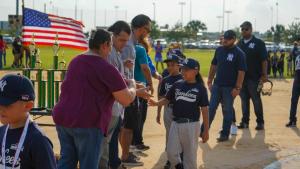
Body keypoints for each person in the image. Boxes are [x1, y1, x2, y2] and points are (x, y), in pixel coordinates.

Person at [52, 29, 137, 169]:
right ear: (104, 45)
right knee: (89, 164)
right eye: (110, 46)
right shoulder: (106, 67)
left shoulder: (76, 61)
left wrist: (124, 83)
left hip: (63, 119)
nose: (110, 50)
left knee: (66, 161)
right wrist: (133, 86)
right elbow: (126, 99)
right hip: (88, 122)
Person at [149, 58, 209, 169]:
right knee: (171, 152)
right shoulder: (177, 84)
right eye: (182, 69)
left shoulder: (200, 88)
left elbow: (205, 110)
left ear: (195, 71)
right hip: (175, 123)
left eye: (186, 69)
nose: (183, 72)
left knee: (190, 157)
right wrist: (156, 103)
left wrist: (205, 130)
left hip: (191, 125)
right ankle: (179, 166)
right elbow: (167, 99)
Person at [0, 74, 56, 168]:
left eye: (6, 105)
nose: (1, 109)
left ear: (28, 106)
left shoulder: (38, 140)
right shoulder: (1, 132)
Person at [202, 30, 247, 142]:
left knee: (227, 110)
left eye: (228, 38)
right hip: (217, 85)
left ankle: (224, 134)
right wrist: (209, 81)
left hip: (229, 88)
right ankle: (203, 131)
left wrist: (238, 88)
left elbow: (241, 72)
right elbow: (213, 66)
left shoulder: (239, 53)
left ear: (234, 39)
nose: (225, 40)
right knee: (211, 108)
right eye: (224, 38)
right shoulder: (219, 50)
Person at [119, 14, 151, 167]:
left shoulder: (131, 44)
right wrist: (134, 86)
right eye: (147, 29)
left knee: (127, 125)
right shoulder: (128, 45)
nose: (148, 33)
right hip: (126, 90)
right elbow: (121, 71)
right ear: (140, 28)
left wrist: (136, 83)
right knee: (128, 126)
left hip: (129, 86)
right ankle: (125, 155)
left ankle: (126, 152)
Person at [237, 21, 268, 130]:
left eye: (246, 29)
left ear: (251, 30)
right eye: (242, 29)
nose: (244, 31)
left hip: (254, 77)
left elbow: (264, 60)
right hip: (242, 78)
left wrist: (264, 75)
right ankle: (245, 122)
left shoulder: (259, 43)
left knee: (256, 100)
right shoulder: (239, 43)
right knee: (244, 101)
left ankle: (260, 122)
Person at [156, 54, 183, 169]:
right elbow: (161, 98)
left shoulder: (184, 79)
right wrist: (158, 113)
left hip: (181, 111)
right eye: (168, 65)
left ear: (179, 65)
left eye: (172, 65)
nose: (170, 67)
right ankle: (170, 158)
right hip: (168, 110)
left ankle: (180, 157)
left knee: (181, 135)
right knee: (169, 135)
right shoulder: (165, 80)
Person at [286, 44, 300, 127]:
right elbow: (290, 56)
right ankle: (292, 120)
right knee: (294, 100)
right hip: (297, 77)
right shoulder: (297, 52)